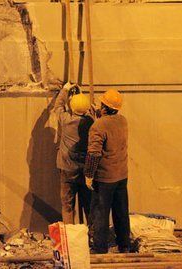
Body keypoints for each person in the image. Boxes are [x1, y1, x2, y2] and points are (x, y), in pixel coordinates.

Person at [84, 89, 130, 253]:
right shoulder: (122, 121)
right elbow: (110, 131)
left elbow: (94, 153)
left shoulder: (98, 125)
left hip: (105, 179)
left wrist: (89, 175)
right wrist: (100, 117)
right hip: (121, 175)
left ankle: (100, 248)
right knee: (121, 212)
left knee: (100, 214)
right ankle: (124, 246)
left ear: (104, 107)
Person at [54, 82, 94, 224]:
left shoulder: (66, 120)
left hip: (67, 168)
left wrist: (65, 90)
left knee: (67, 205)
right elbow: (90, 112)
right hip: (84, 170)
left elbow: (58, 106)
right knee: (88, 205)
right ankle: (91, 236)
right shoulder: (90, 122)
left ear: (72, 106)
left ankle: (70, 236)